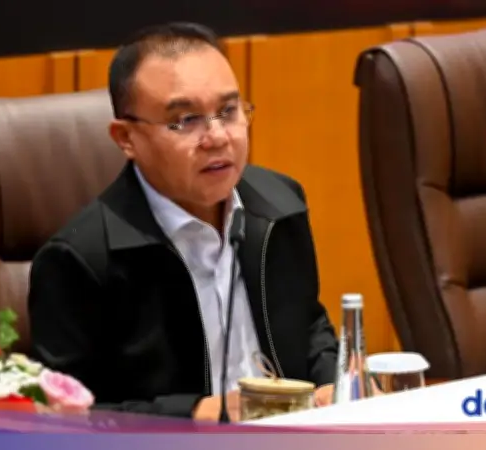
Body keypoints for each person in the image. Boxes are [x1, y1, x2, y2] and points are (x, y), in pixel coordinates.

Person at [28, 22, 338, 422]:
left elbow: (307, 326)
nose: (217, 137)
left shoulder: (280, 205)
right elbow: (66, 418)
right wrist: (195, 413)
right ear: (126, 138)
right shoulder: (79, 260)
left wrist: (333, 381)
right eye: (186, 120)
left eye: (228, 111)